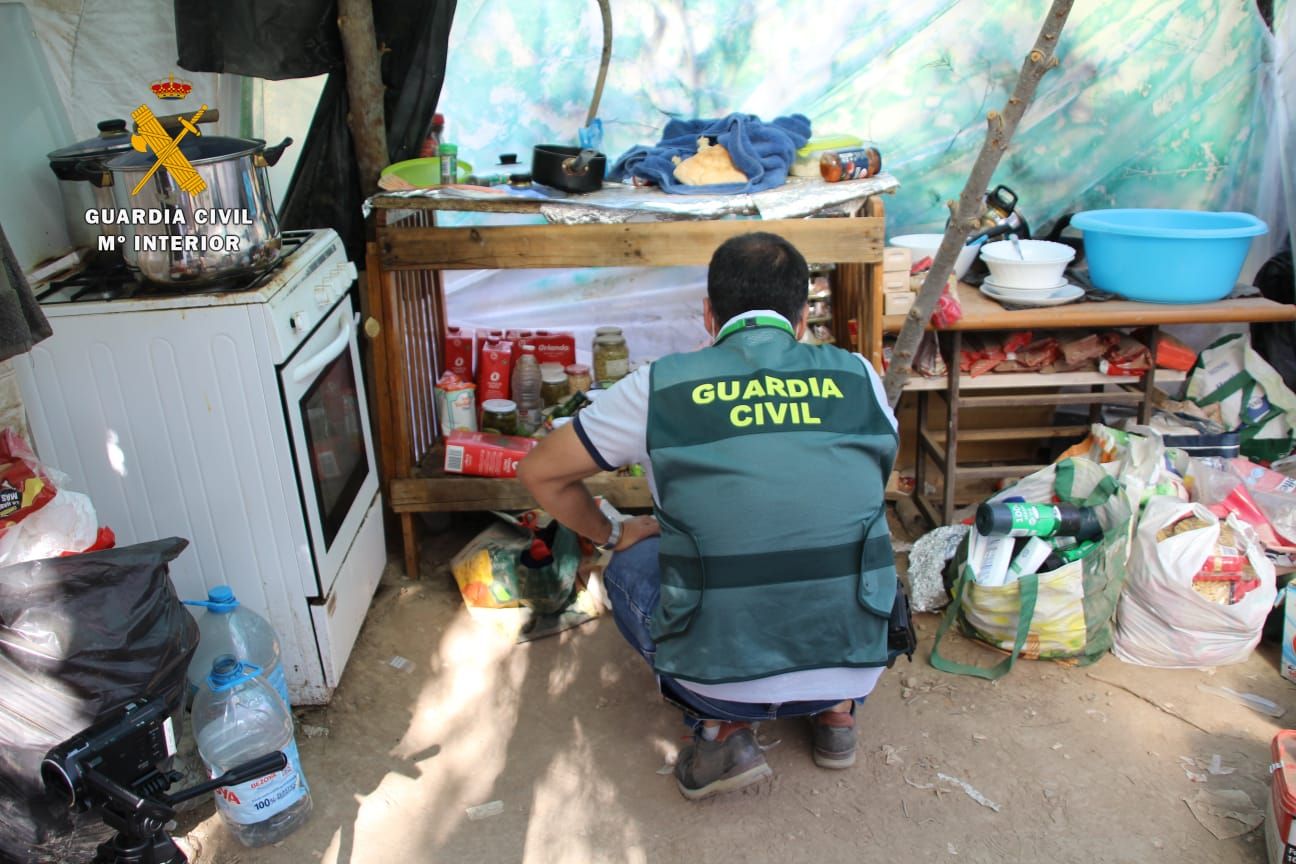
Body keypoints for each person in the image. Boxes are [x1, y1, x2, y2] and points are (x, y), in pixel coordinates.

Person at [517, 231, 905, 800]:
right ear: (801, 319)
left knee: (631, 564)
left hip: (716, 676)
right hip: (861, 655)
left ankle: (721, 725)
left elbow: (540, 473)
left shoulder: (661, 387)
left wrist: (614, 532)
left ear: (708, 314)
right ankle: (837, 712)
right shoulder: (858, 376)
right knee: (846, 549)